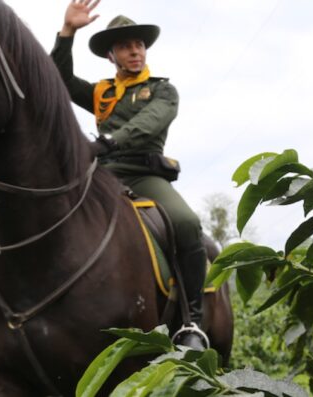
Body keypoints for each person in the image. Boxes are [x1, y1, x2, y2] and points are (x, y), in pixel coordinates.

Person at [51, 0, 208, 350]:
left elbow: (148, 124)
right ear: (111, 55)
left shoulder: (163, 90)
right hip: (104, 174)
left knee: (186, 222)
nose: (134, 51)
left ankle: (192, 322)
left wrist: (111, 140)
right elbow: (57, 78)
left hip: (143, 174)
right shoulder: (102, 92)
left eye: (138, 45)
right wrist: (68, 32)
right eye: (125, 46)